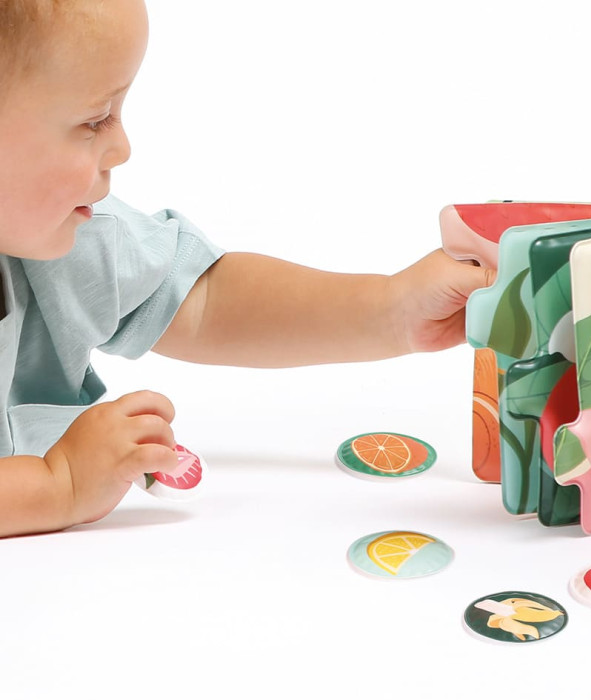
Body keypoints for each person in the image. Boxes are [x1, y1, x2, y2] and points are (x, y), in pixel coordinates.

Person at [0, 0, 491, 537]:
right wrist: (58, 486)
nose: (122, 148)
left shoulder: (63, 229)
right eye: (95, 121)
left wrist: (393, 311)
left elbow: (203, 301)